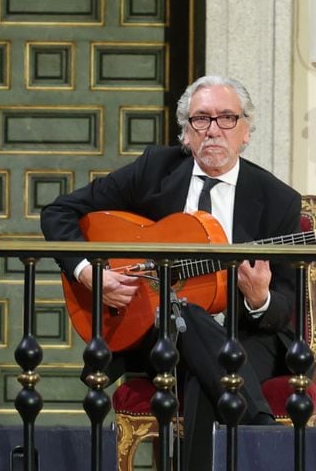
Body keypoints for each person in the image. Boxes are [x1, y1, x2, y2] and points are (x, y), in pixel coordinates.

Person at [40, 75, 299, 468]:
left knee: (200, 369)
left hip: (246, 332)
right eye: (201, 119)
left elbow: (284, 307)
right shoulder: (156, 170)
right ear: (186, 132)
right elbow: (59, 211)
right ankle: (264, 435)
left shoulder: (277, 198)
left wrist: (259, 297)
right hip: (152, 328)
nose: (213, 130)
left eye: (227, 119)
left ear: (245, 132)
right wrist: (89, 274)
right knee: (184, 317)